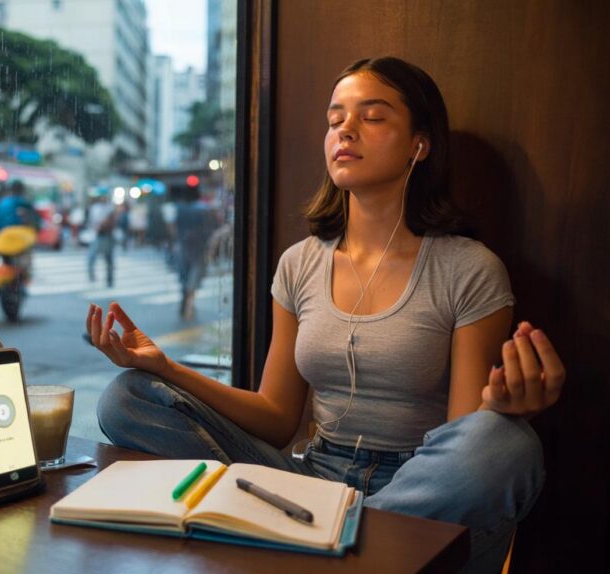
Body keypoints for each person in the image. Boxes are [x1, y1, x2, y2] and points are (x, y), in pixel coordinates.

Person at [86, 57, 565, 573]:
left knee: (503, 444)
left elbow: (464, 437)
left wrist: (504, 409)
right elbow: (275, 418)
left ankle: (328, 543)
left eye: (372, 117)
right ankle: (350, 548)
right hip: (308, 478)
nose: (345, 131)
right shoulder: (300, 262)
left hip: (415, 486)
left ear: (419, 145)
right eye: (335, 119)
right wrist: (166, 368)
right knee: (127, 396)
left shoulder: (468, 268)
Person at [173, 185, 218, 320]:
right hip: (198, 250)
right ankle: (189, 304)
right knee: (193, 277)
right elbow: (210, 229)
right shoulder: (204, 209)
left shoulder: (179, 209)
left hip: (183, 248)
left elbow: (174, 227)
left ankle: (186, 300)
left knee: (185, 276)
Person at [86, 194, 117, 287]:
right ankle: (92, 276)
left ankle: (109, 279)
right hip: (98, 236)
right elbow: (92, 221)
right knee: (92, 257)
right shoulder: (95, 208)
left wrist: (102, 225)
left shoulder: (110, 209)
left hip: (107, 236)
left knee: (108, 259)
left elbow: (111, 222)